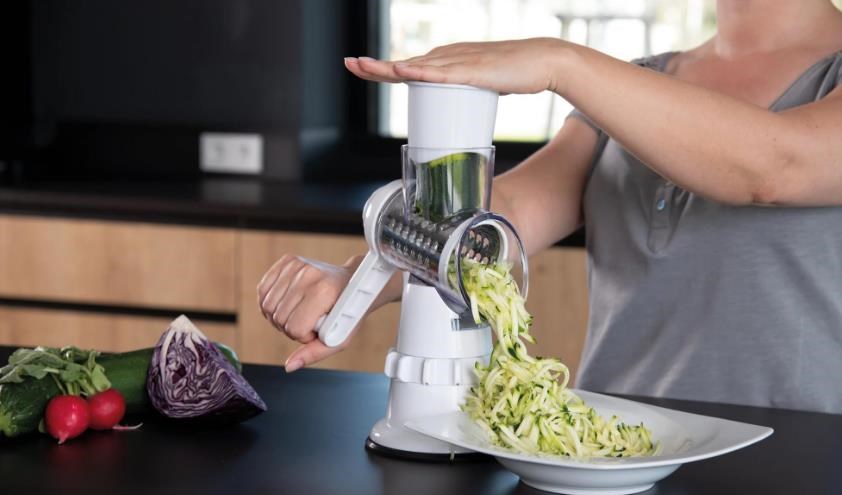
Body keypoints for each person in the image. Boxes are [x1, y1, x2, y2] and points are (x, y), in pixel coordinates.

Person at [258, 0, 842, 414]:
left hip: (800, 464)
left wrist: (559, 63)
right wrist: (358, 281)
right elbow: (498, 222)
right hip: (615, 454)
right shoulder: (640, 82)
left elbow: (776, 164)